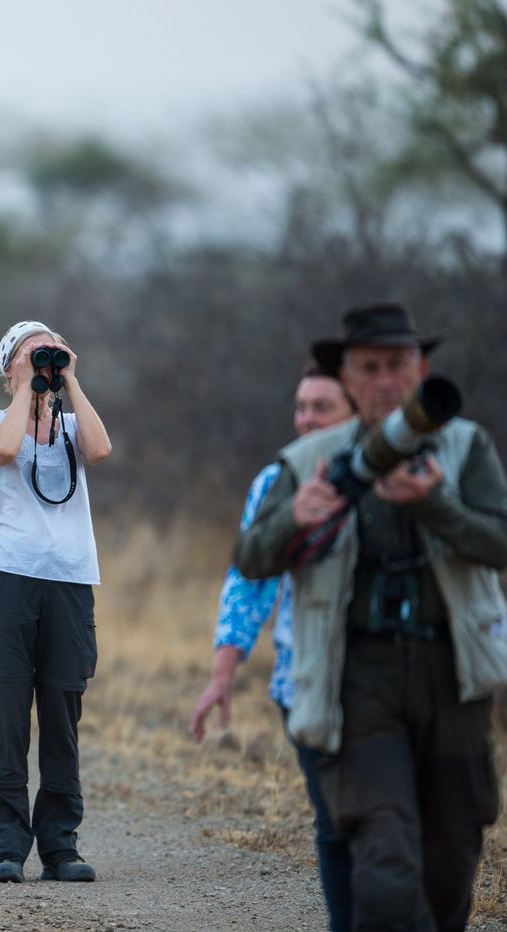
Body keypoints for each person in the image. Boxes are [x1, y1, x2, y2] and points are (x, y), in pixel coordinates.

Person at [235, 303, 507, 932]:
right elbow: (250, 558)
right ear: (348, 380)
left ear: (423, 369)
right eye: (370, 368)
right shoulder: (310, 459)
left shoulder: (466, 447)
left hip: (455, 676)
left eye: (398, 365)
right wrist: (294, 516)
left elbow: (500, 542)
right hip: (359, 677)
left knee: (451, 861)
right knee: (385, 856)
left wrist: (438, 506)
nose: (385, 380)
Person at [189, 360, 356, 932]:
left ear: (357, 413)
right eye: (301, 406)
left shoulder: (403, 477)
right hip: (302, 680)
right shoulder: (277, 480)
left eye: (322, 407)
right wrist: (221, 675)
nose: (306, 420)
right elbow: (248, 583)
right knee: (335, 823)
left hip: (393, 677)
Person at [0, 321, 111, 884]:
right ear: (8, 370)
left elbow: (101, 450)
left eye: (50, 351)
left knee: (61, 715)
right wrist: (29, 388)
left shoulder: (75, 426)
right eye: (29, 354)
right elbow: (4, 450)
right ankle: (8, 848)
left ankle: (60, 847)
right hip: (8, 579)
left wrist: (68, 379)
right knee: (6, 715)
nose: (43, 361)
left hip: (71, 582)